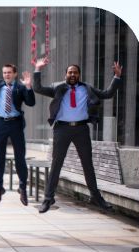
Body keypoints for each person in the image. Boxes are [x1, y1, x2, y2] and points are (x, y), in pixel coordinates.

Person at [32, 58, 123, 213]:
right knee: (56, 164)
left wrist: (117, 77)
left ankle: (96, 197)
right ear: (65, 74)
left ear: (79, 74)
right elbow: (38, 88)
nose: (72, 74)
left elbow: (107, 94)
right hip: (62, 129)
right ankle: (48, 199)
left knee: (88, 164)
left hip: (81, 129)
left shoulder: (87, 88)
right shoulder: (57, 87)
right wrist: (37, 69)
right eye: (70, 72)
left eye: (75, 72)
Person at [0, 43, 36, 206]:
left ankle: (23, 188)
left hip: (16, 124)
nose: (6, 75)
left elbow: (31, 103)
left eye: (9, 73)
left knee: (20, 157)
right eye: (4, 73)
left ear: (15, 74)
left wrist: (29, 87)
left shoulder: (21, 87)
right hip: (1, 124)